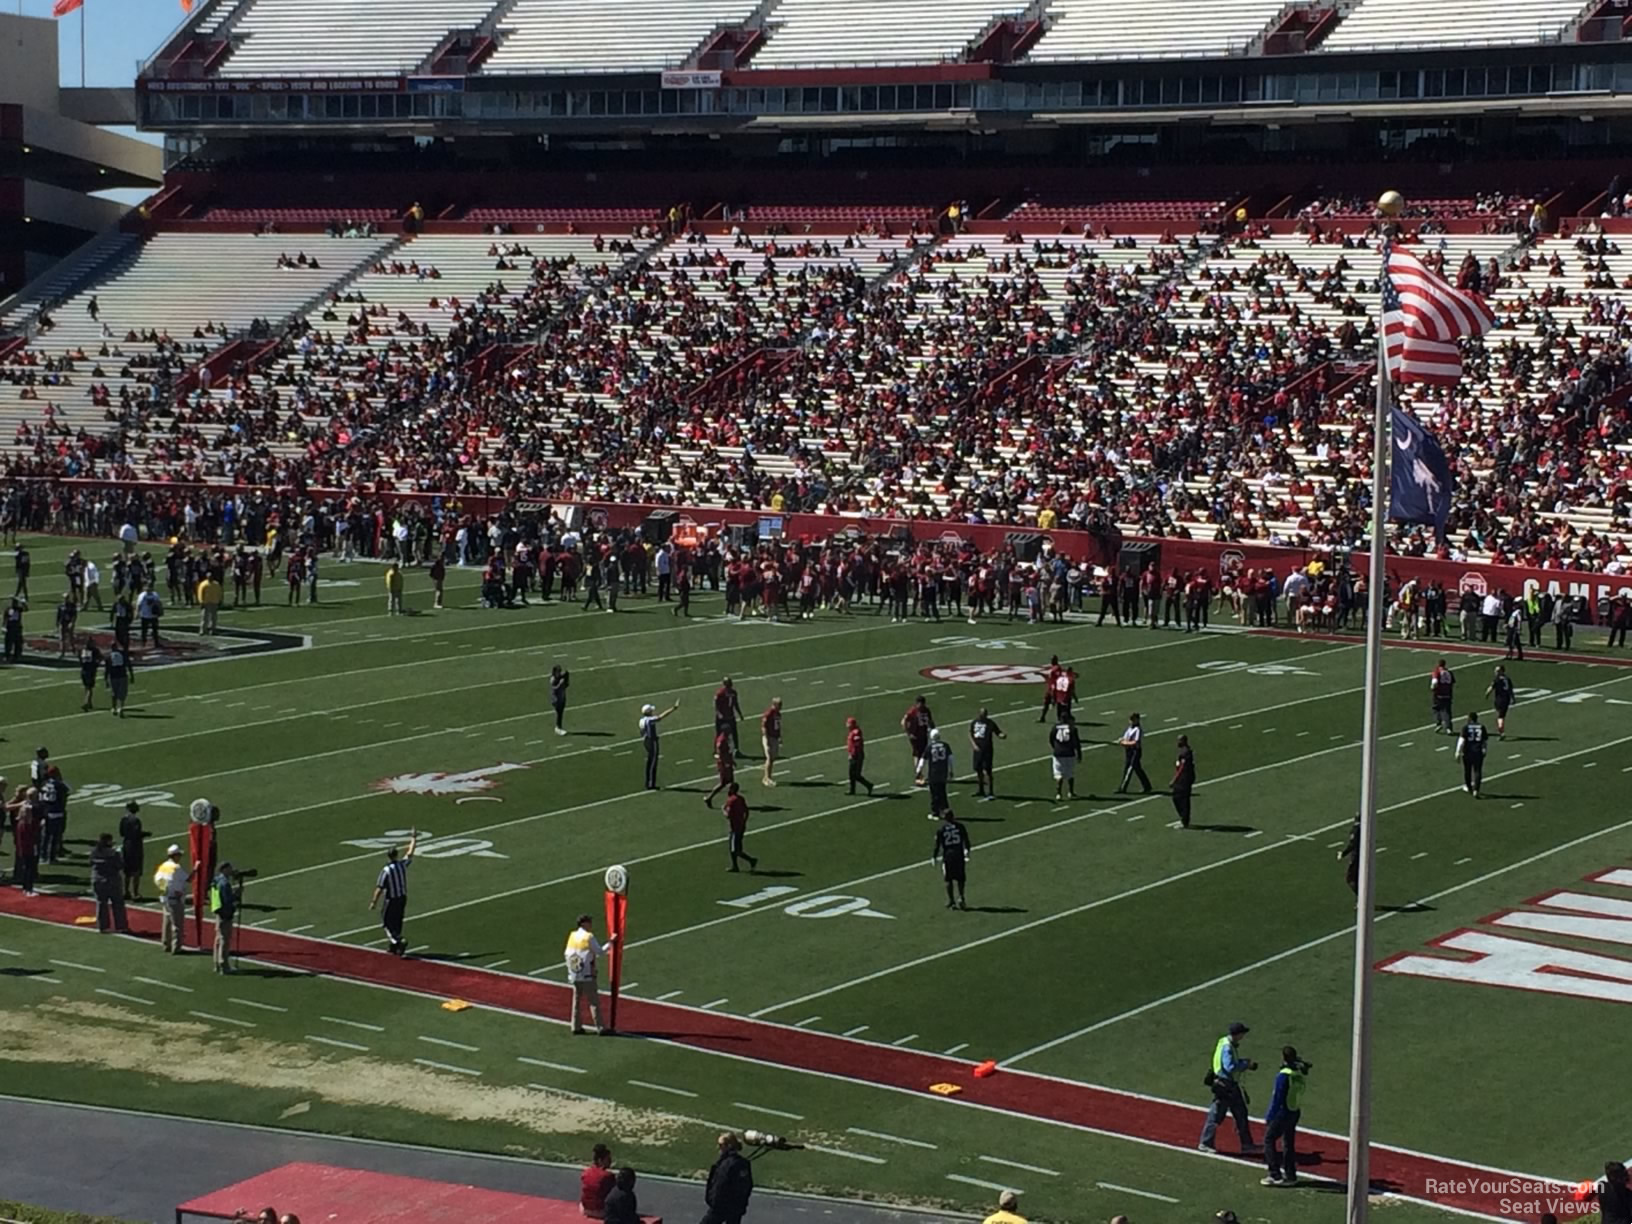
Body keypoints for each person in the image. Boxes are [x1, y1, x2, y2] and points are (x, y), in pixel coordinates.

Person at [1199, 1021, 1260, 1154]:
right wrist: (1245, 1064)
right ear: (1238, 1034)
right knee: (1216, 1116)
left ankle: (1247, 1144)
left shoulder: (1223, 1042)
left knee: (1241, 1114)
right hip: (1226, 1086)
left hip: (1227, 1085)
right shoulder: (1227, 1048)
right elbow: (1229, 1067)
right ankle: (1205, 1142)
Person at [1261, 1045, 1310, 1187]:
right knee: (1288, 1142)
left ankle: (1274, 1174)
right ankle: (1290, 1174)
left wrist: (1270, 1116)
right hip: (1294, 1110)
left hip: (1282, 1112)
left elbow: (1278, 1098)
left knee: (1269, 1140)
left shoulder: (1283, 1076)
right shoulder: (1297, 1074)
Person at [368, 829, 419, 956]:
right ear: (396, 855)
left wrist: (374, 901)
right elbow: (410, 852)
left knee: (386, 922)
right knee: (397, 921)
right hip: (402, 897)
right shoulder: (401, 865)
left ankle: (398, 940)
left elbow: (379, 887)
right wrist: (413, 838)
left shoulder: (386, 870)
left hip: (391, 899)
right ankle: (394, 946)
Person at [565, 912, 616, 1036]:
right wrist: (610, 943)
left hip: (575, 973)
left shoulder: (572, 935)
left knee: (576, 1001)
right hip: (588, 974)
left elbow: (567, 953)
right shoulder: (588, 936)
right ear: (584, 923)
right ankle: (600, 1027)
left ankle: (575, 1026)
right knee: (593, 1001)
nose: (591, 924)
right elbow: (599, 952)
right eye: (589, 922)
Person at [700, 1132, 753, 1224]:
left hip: (721, 1208)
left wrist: (714, 1203)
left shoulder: (726, 1164)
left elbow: (719, 1186)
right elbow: (747, 1186)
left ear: (728, 1146)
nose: (719, 1148)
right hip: (736, 1208)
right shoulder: (742, 1164)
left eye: (721, 1145)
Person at [932, 807, 972, 909]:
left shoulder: (941, 830)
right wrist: (967, 850)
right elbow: (966, 840)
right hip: (959, 854)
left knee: (948, 879)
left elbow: (938, 844)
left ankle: (951, 900)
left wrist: (934, 856)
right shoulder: (960, 827)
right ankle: (961, 897)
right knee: (960, 878)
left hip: (948, 855)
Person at [89, 832, 130, 934]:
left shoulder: (94, 852)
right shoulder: (114, 853)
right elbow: (120, 866)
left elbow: (91, 863)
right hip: (112, 880)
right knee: (118, 903)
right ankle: (121, 926)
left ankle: (103, 926)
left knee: (101, 903)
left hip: (98, 880)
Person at [638, 699, 680, 790]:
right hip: (652, 741)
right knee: (653, 761)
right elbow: (661, 717)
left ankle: (648, 782)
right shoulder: (650, 720)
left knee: (649, 761)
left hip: (646, 741)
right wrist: (673, 708)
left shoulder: (641, 720)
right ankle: (651, 783)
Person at [156, 843, 190, 953]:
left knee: (167, 922)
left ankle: (166, 943)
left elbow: (158, 880)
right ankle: (177, 947)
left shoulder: (164, 866)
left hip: (165, 897)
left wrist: (164, 890)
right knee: (177, 924)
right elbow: (188, 879)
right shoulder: (176, 867)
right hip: (175, 898)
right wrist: (196, 869)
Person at [210, 861, 241, 973]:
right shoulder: (224, 883)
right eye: (229, 868)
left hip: (218, 910)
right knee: (224, 939)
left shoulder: (216, 880)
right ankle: (224, 964)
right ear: (223, 869)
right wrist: (236, 895)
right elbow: (227, 900)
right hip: (225, 913)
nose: (231, 870)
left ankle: (216, 963)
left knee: (218, 939)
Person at [969, 707, 1005, 800]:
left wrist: (1002, 736)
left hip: (987, 750)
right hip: (977, 750)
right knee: (978, 769)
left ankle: (990, 791)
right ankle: (980, 789)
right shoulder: (974, 722)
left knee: (988, 771)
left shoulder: (990, 723)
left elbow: (998, 732)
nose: (983, 716)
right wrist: (974, 745)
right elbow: (970, 734)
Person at [723, 782, 757, 873]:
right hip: (741, 826)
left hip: (734, 828)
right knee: (735, 848)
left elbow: (728, 815)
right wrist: (744, 821)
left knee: (735, 849)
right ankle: (736, 865)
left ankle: (750, 861)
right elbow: (746, 811)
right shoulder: (741, 798)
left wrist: (723, 810)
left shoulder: (731, 800)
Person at [118, 800, 148, 901]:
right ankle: (135, 893)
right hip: (135, 846)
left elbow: (121, 833)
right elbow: (136, 833)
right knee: (136, 871)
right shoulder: (135, 820)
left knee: (127, 870)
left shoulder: (123, 819)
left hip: (126, 844)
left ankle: (126, 891)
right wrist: (145, 834)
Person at [902, 694, 935, 786]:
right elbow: (904, 721)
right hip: (915, 736)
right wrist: (909, 733)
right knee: (917, 754)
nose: (921, 706)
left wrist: (933, 729)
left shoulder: (926, 710)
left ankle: (920, 773)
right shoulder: (913, 711)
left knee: (923, 754)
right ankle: (918, 774)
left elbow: (930, 721)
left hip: (924, 735)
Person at [1050, 712, 1082, 801]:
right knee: (1070, 773)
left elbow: (1051, 738)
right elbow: (1077, 743)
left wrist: (1055, 747)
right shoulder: (1072, 728)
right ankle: (1070, 792)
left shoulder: (1055, 727)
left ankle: (1058, 793)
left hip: (1058, 753)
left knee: (1059, 774)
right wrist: (1079, 754)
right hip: (1069, 752)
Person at [1456, 711, 1488, 798]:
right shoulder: (1482, 727)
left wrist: (1458, 752)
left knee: (1467, 770)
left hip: (1468, 752)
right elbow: (1484, 741)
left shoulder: (1465, 727)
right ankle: (1476, 789)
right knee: (1477, 771)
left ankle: (1469, 787)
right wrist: (1484, 750)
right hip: (1478, 751)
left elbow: (1461, 741)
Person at [579, 1143, 615, 1219]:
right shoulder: (608, 1176)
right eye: (608, 1159)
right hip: (601, 1211)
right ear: (600, 1160)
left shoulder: (586, 1172)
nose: (610, 1161)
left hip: (585, 1209)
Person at [925, 727, 954, 819]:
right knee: (942, 792)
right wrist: (951, 770)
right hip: (943, 773)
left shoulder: (929, 747)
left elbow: (922, 760)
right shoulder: (945, 745)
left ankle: (935, 812)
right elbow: (951, 759)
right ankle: (946, 811)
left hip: (933, 773)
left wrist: (918, 771)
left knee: (934, 793)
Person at [705, 725, 736, 808]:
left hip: (726, 763)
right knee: (726, 783)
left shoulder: (725, 738)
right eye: (728, 730)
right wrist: (728, 763)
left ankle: (730, 800)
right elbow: (722, 755)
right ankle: (729, 802)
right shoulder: (722, 741)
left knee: (729, 783)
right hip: (724, 765)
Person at [713, 677, 744, 759]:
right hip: (722, 717)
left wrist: (740, 714)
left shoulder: (733, 693)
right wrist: (719, 714)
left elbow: (735, 704)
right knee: (719, 734)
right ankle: (716, 750)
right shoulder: (720, 693)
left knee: (734, 733)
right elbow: (716, 705)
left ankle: (736, 750)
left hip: (730, 716)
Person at [1171, 734, 1196, 828]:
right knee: (1176, 798)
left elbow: (1182, 767)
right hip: (1182, 778)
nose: (1177, 742)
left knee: (1182, 799)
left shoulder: (1186, 752)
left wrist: (1174, 779)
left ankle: (1185, 820)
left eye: (1179, 740)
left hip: (1184, 778)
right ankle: (1183, 818)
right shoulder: (1183, 751)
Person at [845, 716, 874, 796]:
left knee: (856, 775)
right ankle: (852, 790)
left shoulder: (856, 732)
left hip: (857, 756)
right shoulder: (853, 732)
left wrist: (853, 755)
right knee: (851, 774)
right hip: (854, 755)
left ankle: (868, 785)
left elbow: (857, 745)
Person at [105, 639, 133, 717]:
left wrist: (106, 679)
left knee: (114, 693)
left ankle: (114, 707)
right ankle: (121, 707)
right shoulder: (123, 654)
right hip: (122, 676)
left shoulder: (109, 656)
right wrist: (131, 675)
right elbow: (129, 664)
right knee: (122, 693)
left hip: (113, 676)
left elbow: (107, 669)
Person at [1485, 665, 1514, 738]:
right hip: (1506, 699)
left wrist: (1487, 694)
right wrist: (1512, 698)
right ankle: (1501, 730)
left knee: (1500, 716)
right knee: (1502, 716)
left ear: (1501, 671)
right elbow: (1510, 690)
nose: (1495, 672)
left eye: (1497, 671)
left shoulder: (1497, 679)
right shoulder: (1507, 679)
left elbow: (1490, 688)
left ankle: (1501, 731)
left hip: (1499, 699)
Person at [760, 697, 782, 787]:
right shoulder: (769, 713)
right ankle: (767, 778)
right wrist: (767, 738)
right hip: (769, 737)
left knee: (772, 758)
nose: (781, 706)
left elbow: (778, 726)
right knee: (769, 758)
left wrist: (780, 736)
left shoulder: (778, 714)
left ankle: (767, 777)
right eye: (780, 705)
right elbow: (763, 726)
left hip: (775, 737)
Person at [1430, 658, 1455, 734]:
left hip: (1439, 694)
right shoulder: (1449, 672)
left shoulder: (1437, 671)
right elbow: (1453, 682)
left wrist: (1432, 688)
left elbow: (1435, 682)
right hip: (1448, 694)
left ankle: (1438, 723)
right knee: (1447, 711)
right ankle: (1449, 728)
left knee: (1436, 708)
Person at [78, 636, 101, 712]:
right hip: (90, 671)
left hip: (84, 670)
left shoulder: (82, 650)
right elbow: (100, 658)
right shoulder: (94, 650)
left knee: (86, 687)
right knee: (89, 688)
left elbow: (80, 660)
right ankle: (86, 702)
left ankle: (89, 702)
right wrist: (96, 664)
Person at [1339, 816, 1360, 897]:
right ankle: (1360, 898)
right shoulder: (1364, 828)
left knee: (1350, 878)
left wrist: (1343, 853)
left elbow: (1352, 844)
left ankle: (1361, 897)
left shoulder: (1356, 830)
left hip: (1355, 856)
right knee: (1357, 878)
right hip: (1362, 855)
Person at [550, 665, 570, 736]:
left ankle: (559, 727)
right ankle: (558, 727)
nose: (559, 673)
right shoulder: (553, 679)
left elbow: (566, 685)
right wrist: (560, 684)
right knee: (559, 713)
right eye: (558, 672)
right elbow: (554, 689)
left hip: (562, 697)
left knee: (561, 713)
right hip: (556, 699)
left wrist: (567, 678)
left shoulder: (561, 677)